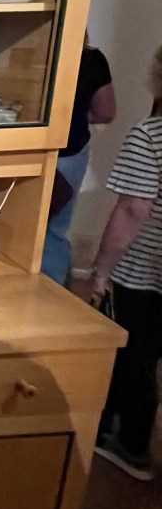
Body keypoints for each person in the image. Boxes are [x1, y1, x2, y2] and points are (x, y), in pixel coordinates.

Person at [91, 46, 162, 481]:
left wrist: (100, 271)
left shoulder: (150, 136)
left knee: (134, 356)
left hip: (145, 271)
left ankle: (130, 445)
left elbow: (133, 209)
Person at [42, 37, 116, 284]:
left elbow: (106, 112)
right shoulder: (91, 58)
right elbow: (106, 111)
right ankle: (54, 293)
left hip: (43, 150)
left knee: (43, 227)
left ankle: (51, 295)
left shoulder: (35, 49)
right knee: (54, 228)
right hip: (70, 150)